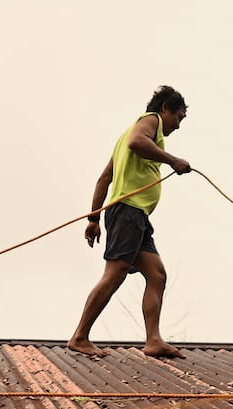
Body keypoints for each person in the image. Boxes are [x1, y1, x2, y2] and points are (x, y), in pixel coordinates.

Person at [67, 85, 191, 359]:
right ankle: (80, 336)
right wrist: (172, 161)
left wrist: (94, 219)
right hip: (128, 212)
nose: (179, 125)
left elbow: (104, 178)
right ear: (165, 109)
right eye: (179, 117)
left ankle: (153, 340)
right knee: (115, 273)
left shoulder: (124, 137)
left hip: (135, 216)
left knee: (157, 274)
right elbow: (138, 142)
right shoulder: (149, 123)